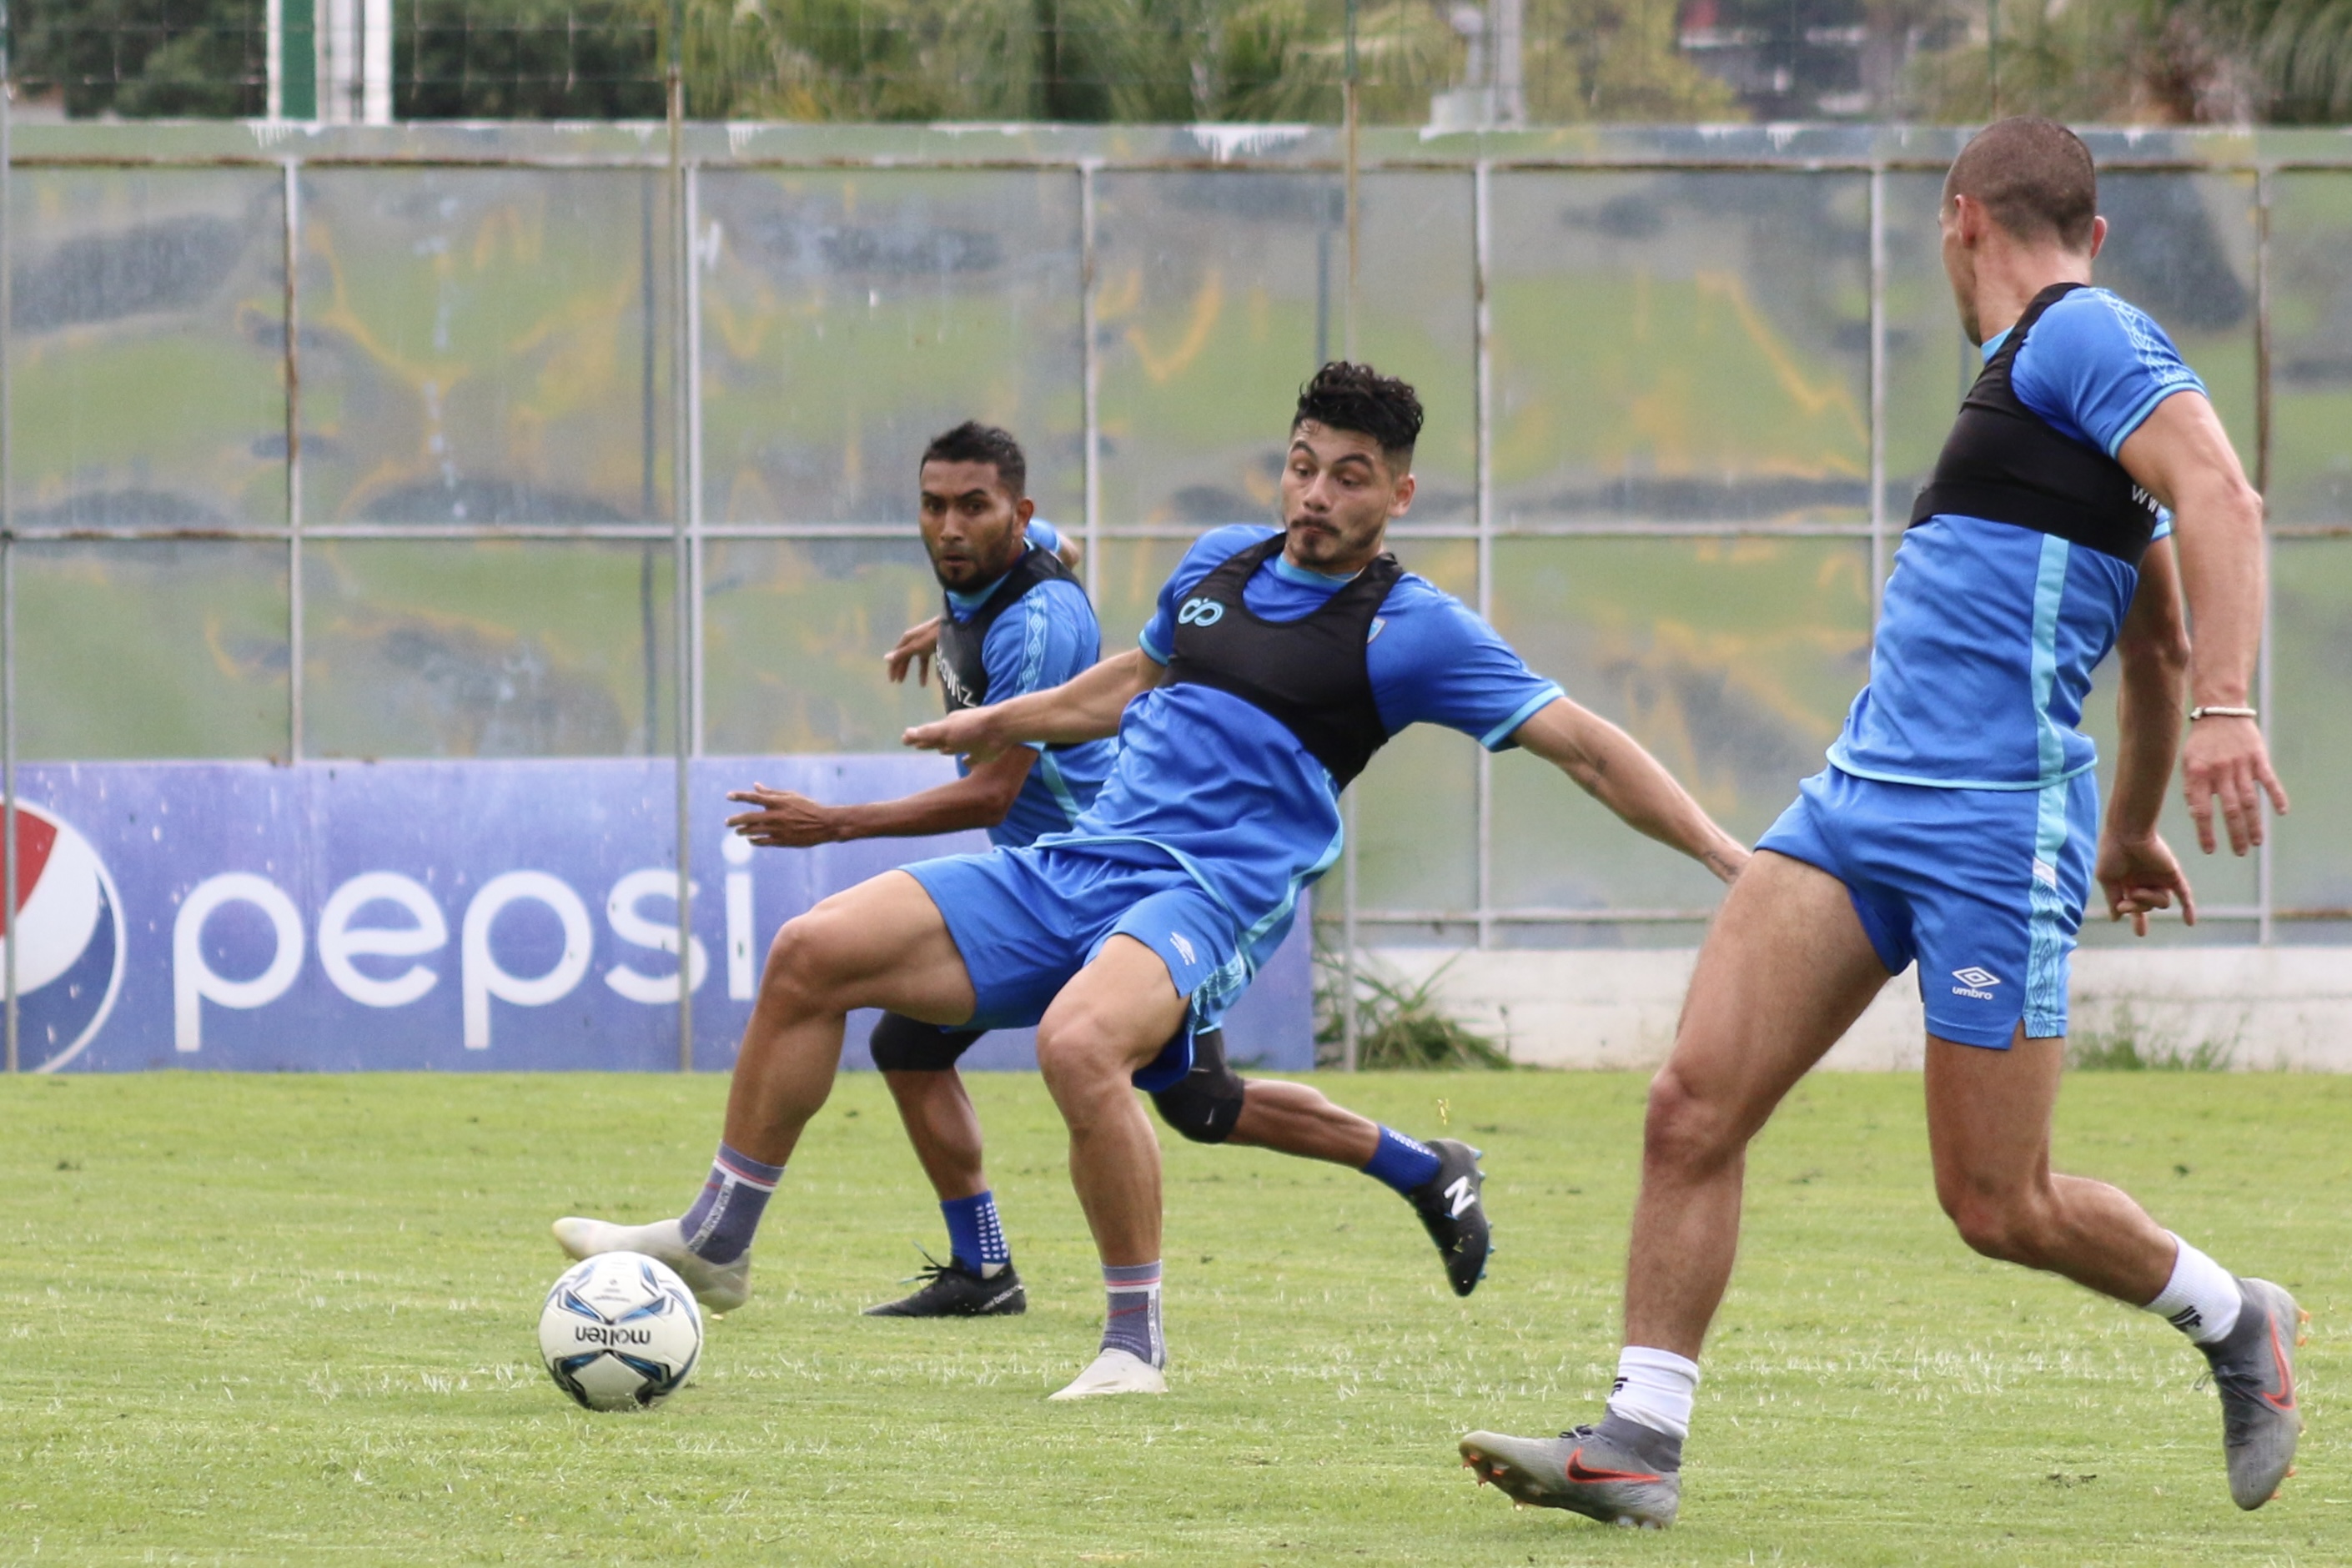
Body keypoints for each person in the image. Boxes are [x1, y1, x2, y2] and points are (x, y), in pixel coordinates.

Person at [557, 362, 1748, 1399]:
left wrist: (1729, 861)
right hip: (1081, 861)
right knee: (813, 953)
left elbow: (1587, 746)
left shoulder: (1414, 630)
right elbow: (1129, 679)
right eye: (1302, 467)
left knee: (1083, 1047)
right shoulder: (1217, 561)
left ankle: (1133, 1343)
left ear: (1398, 495)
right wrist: (999, 716)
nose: (1316, 495)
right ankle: (719, 1239)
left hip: (1205, 895)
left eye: (1349, 477)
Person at [1460, 117, 2301, 1527]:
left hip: (1990, 834)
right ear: (2090, 225)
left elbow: (2225, 496)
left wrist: (2229, 709)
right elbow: (2150, 637)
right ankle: (1639, 1441)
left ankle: (2235, 1318)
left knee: (1997, 1203)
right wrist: (2133, 826)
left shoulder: (2082, 330)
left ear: (1960, 219)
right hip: (1857, 806)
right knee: (1692, 1106)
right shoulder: (2052, 402)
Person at [721, 420, 1496, 1320]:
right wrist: (954, 623)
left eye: (973, 508)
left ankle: (1423, 1168)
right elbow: (1061, 552)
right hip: (1061, 878)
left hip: (1128, 878)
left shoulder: (1041, 624)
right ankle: (984, 1268)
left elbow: (992, 792)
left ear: (1015, 511)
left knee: (1201, 1103)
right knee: (920, 1046)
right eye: (935, 507)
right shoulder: (1005, 562)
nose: (951, 527)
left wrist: (834, 823)